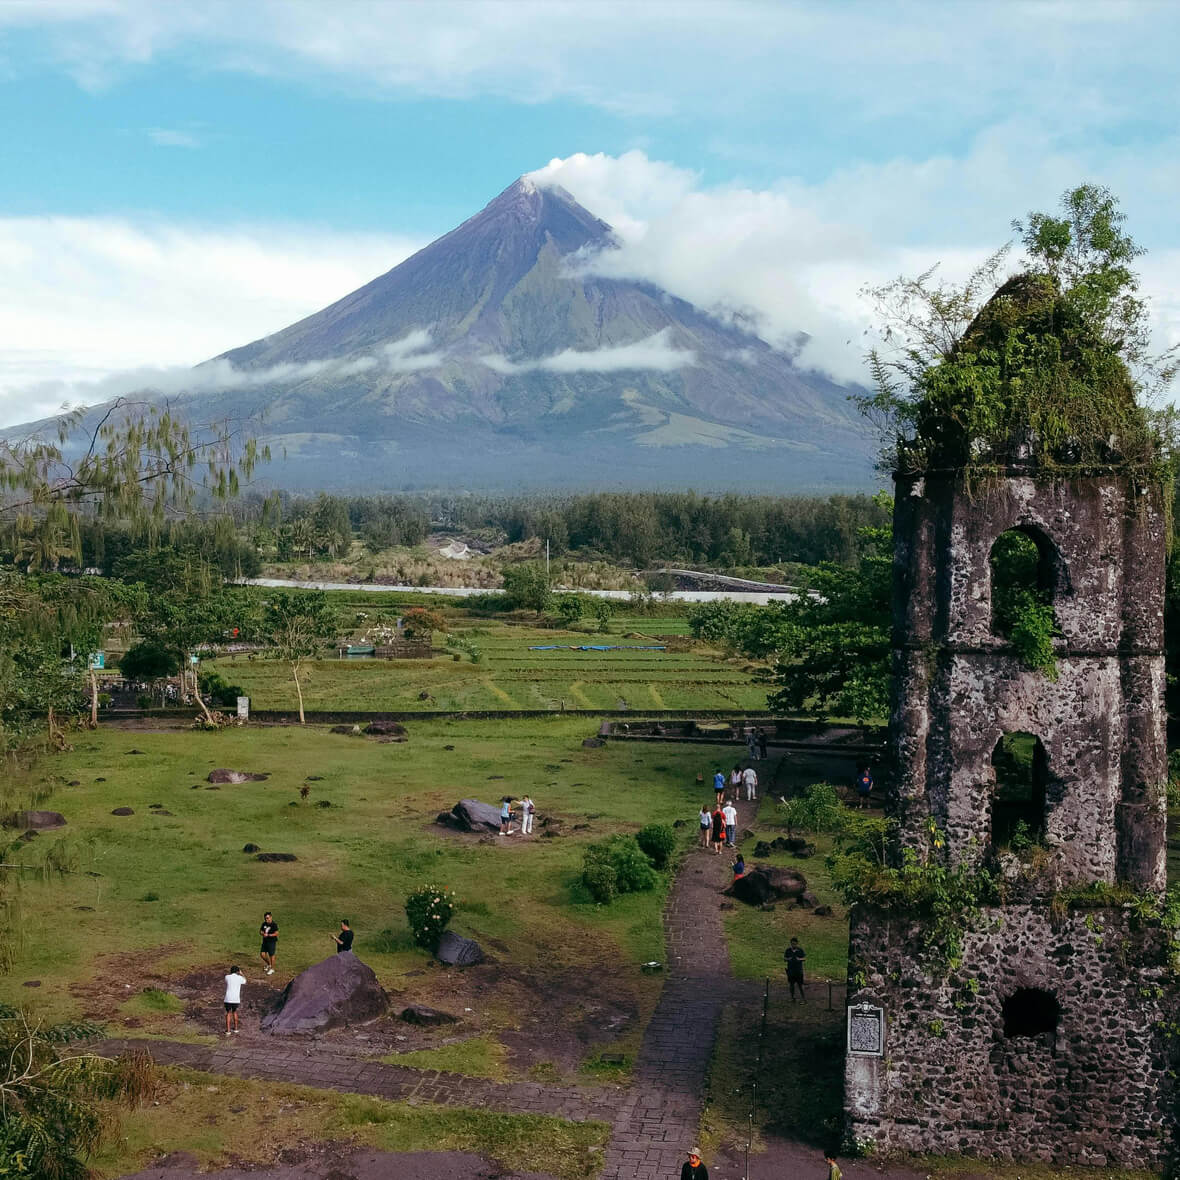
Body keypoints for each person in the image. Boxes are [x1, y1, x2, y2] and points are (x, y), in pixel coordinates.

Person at [223, 964, 246, 1036]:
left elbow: (227, 980)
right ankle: (236, 1029)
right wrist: (242, 974)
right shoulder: (240, 978)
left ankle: (228, 1031)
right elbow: (245, 981)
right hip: (236, 999)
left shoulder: (227, 977)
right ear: (237, 971)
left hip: (228, 998)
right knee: (234, 1012)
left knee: (228, 1013)